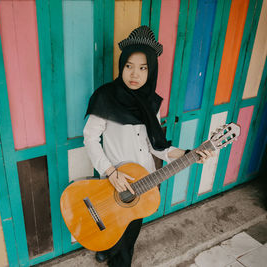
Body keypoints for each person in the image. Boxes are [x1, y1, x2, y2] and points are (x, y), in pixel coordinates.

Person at [83, 26, 213, 267]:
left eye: (143, 68)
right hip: (115, 179)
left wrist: (188, 154)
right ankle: (108, 248)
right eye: (129, 66)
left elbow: (156, 146)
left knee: (131, 227)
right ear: (122, 66)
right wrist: (110, 171)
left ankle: (119, 257)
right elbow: (89, 138)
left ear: (151, 70)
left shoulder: (152, 103)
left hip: (145, 182)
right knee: (110, 220)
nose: (135, 74)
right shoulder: (105, 97)